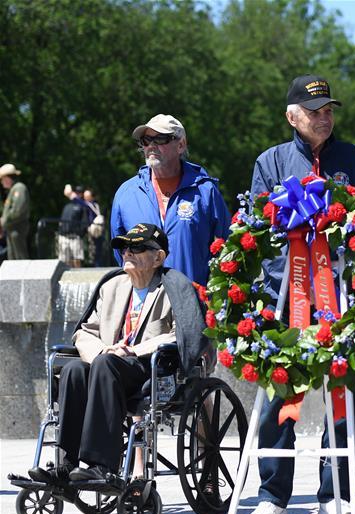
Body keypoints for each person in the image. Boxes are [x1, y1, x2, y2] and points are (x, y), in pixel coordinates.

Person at [250, 74, 355, 514]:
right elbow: (256, 230)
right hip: (285, 296)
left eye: (329, 110)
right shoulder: (271, 162)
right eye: (314, 110)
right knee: (280, 391)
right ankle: (273, 493)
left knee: (341, 395)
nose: (324, 117)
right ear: (292, 116)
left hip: (340, 296)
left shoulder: (353, 161)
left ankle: (334, 489)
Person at [27, 224, 207, 484]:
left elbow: (182, 334)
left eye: (137, 248)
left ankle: (101, 465)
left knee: (106, 364)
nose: (128, 253)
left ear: (159, 257)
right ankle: (65, 466)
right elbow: (84, 332)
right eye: (125, 248)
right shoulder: (111, 286)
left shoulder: (174, 288)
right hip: (107, 364)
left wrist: (132, 349)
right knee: (74, 370)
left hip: (148, 371)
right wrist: (104, 350)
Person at [110, 114, 229, 285]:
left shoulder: (205, 192)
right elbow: (120, 253)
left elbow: (225, 251)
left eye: (160, 139)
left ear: (181, 145)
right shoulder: (126, 193)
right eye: (146, 140)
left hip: (193, 303)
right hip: (145, 303)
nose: (151, 145)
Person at [57, 185, 92, 268]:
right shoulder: (67, 206)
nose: (78, 194)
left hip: (75, 237)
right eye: (76, 192)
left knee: (76, 260)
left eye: (79, 192)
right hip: (63, 236)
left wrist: (80, 234)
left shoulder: (83, 206)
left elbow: (85, 222)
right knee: (64, 261)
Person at [0, 163, 30, 259]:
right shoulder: (13, 190)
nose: (1, 182)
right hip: (12, 230)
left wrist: (3, 220)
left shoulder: (19, 188)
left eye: (2, 179)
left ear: (7, 178)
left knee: (20, 258)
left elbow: (17, 210)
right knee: (12, 259)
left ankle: (26, 274)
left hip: (17, 229)